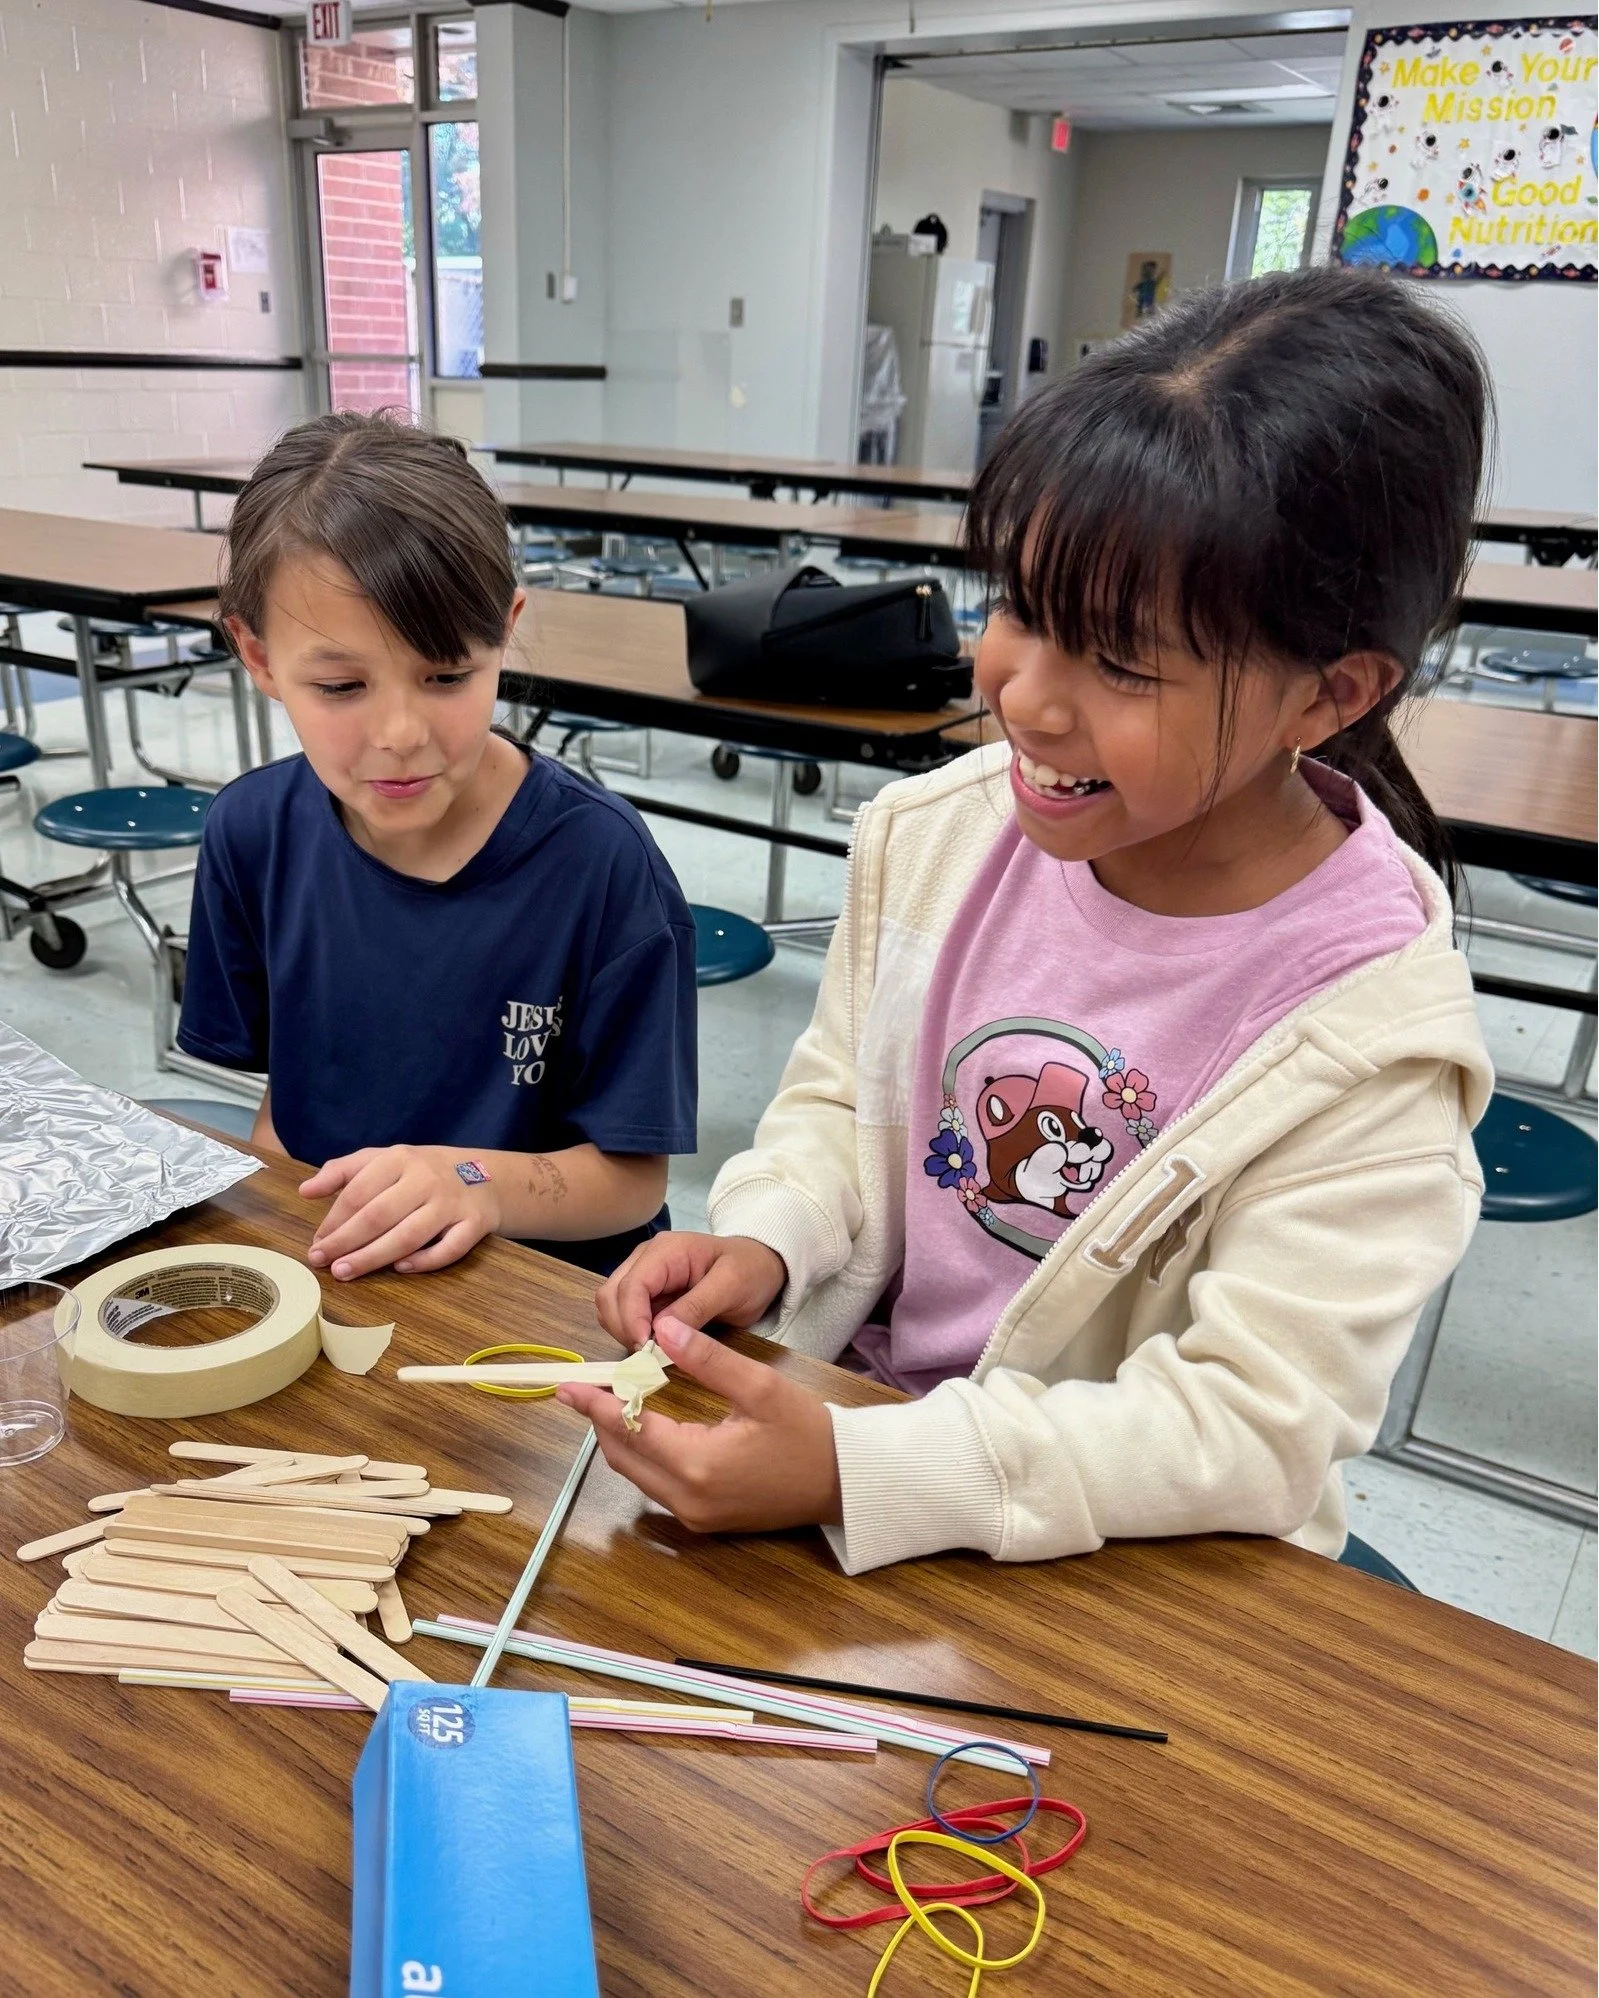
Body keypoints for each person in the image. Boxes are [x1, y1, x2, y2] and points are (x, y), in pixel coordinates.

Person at [559, 266, 1495, 1574]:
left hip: (1108, 1560)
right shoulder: (942, 838)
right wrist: (767, 1240)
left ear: (1323, 694)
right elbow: (845, 1108)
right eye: (1016, 608)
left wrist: (858, 1466)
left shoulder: (1364, 1033)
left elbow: (1241, 1427)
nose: (1025, 699)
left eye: (1118, 663)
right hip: (863, 1460)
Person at [177, 412, 697, 1279]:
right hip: (347, 1268)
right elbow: (285, 1107)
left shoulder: (602, 866)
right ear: (258, 656)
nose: (400, 734)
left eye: (447, 675)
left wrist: (468, 1181)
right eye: (340, 685)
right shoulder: (250, 835)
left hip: (541, 1300)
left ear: (505, 629)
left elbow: (631, 1181)